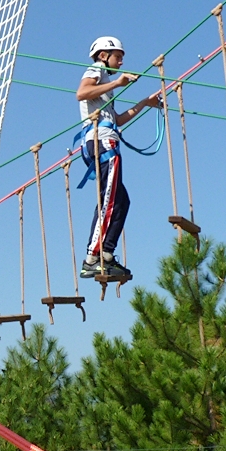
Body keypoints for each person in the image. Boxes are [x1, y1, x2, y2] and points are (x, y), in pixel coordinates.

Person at [75, 36, 163, 283]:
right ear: (104, 55)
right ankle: (92, 258)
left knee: (120, 200)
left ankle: (106, 252)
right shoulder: (97, 71)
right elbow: (81, 93)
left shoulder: (106, 86)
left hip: (105, 139)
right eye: (118, 56)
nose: (122, 61)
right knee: (110, 200)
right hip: (101, 143)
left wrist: (145, 103)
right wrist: (117, 81)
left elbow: (118, 119)